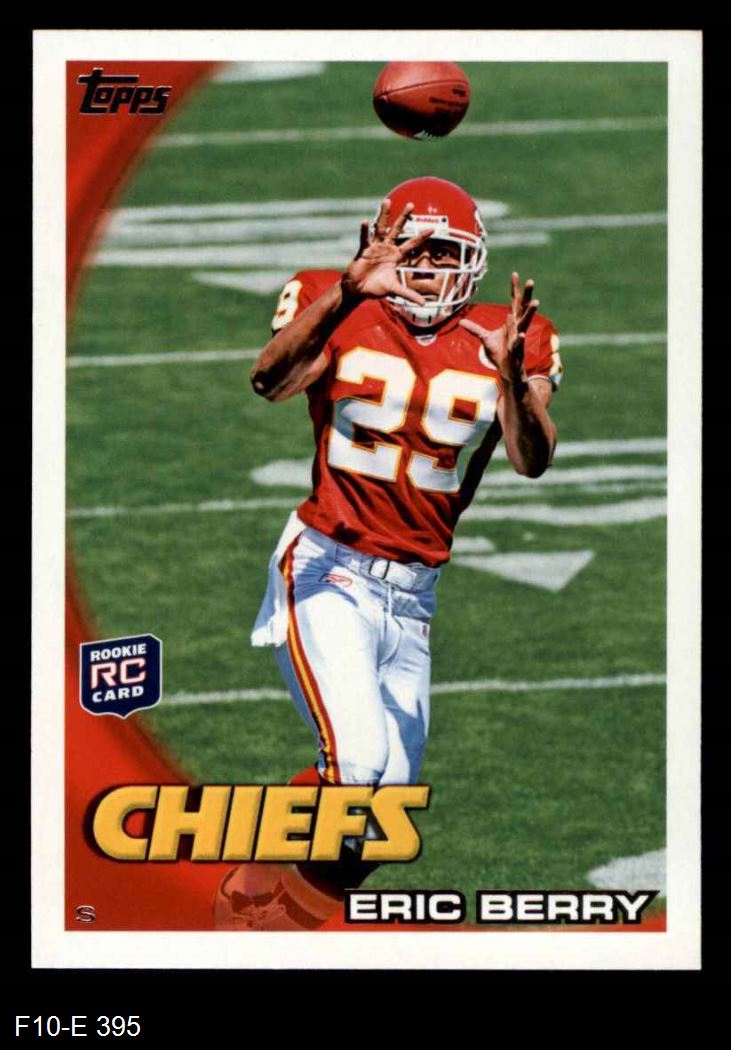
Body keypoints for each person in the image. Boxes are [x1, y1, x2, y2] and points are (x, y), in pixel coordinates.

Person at [214, 176, 562, 930]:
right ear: (382, 245)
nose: (428, 266)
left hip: (413, 594)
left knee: (385, 811)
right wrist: (345, 295)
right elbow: (269, 381)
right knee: (358, 764)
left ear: (473, 260)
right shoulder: (334, 300)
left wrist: (512, 379)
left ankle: (266, 902)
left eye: (446, 253)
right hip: (327, 564)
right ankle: (256, 904)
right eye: (415, 248)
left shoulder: (509, 333)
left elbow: (531, 460)